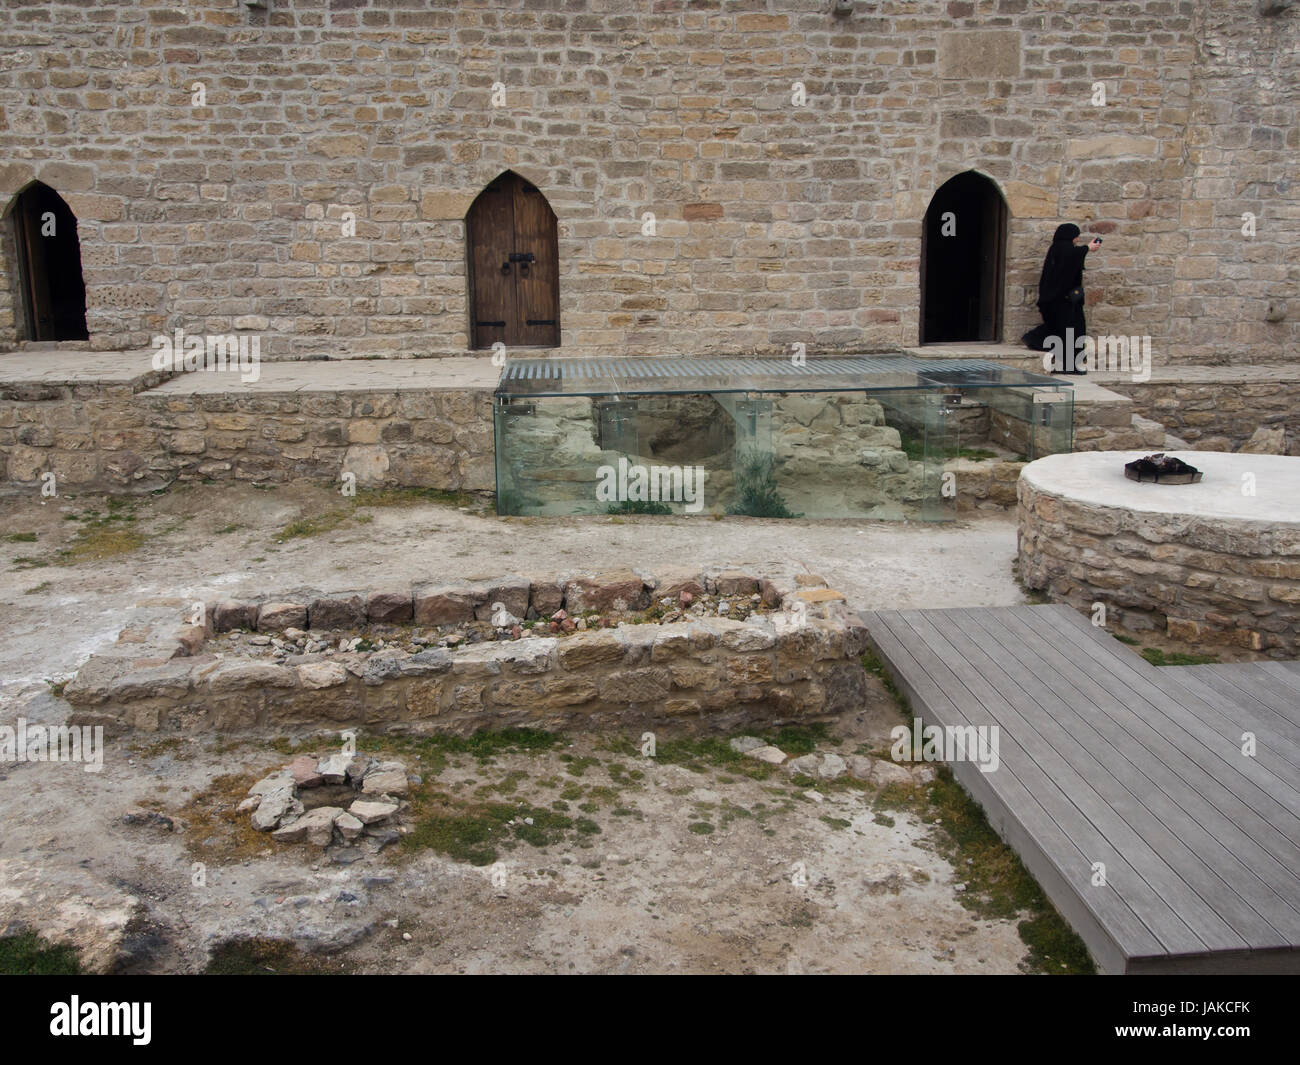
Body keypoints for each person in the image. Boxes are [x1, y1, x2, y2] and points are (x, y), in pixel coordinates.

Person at [1021, 223, 1101, 374]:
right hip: (1062, 302)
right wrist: (1087, 248)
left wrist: (1085, 250)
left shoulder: (1056, 249)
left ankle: (1035, 340)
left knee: (1062, 331)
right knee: (1070, 333)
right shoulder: (1063, 249)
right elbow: (1071, 256)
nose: (1077, 240)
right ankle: (1067, 365)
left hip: (1057, 301)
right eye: (1076, 237)